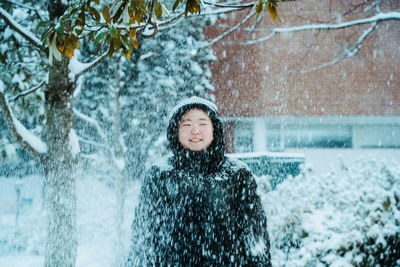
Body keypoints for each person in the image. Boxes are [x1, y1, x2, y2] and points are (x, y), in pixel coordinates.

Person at [125, 96, 271, 266]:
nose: (195, 131)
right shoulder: (160, 175)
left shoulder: (237, 174)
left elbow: (256, 240)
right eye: (187, 124)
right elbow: (143, 240)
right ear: (176, 130)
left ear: (214, 129)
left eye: (202, 123)